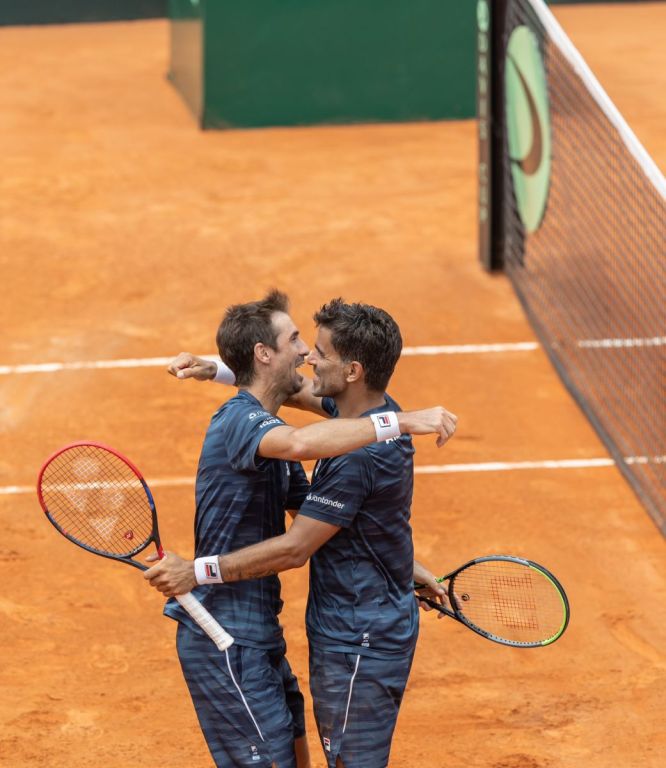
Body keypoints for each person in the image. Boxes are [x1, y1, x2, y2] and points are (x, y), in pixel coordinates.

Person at [146, 296, 456, 768]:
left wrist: (401, 565)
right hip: (227, 631)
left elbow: (314, 530)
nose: (308, 355)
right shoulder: (329, 427)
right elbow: (299, 443)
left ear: (352, 372)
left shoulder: (347, 441)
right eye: (296, 341)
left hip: (306, 633)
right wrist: (403, 421)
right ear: (263, 354)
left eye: (316, 349)